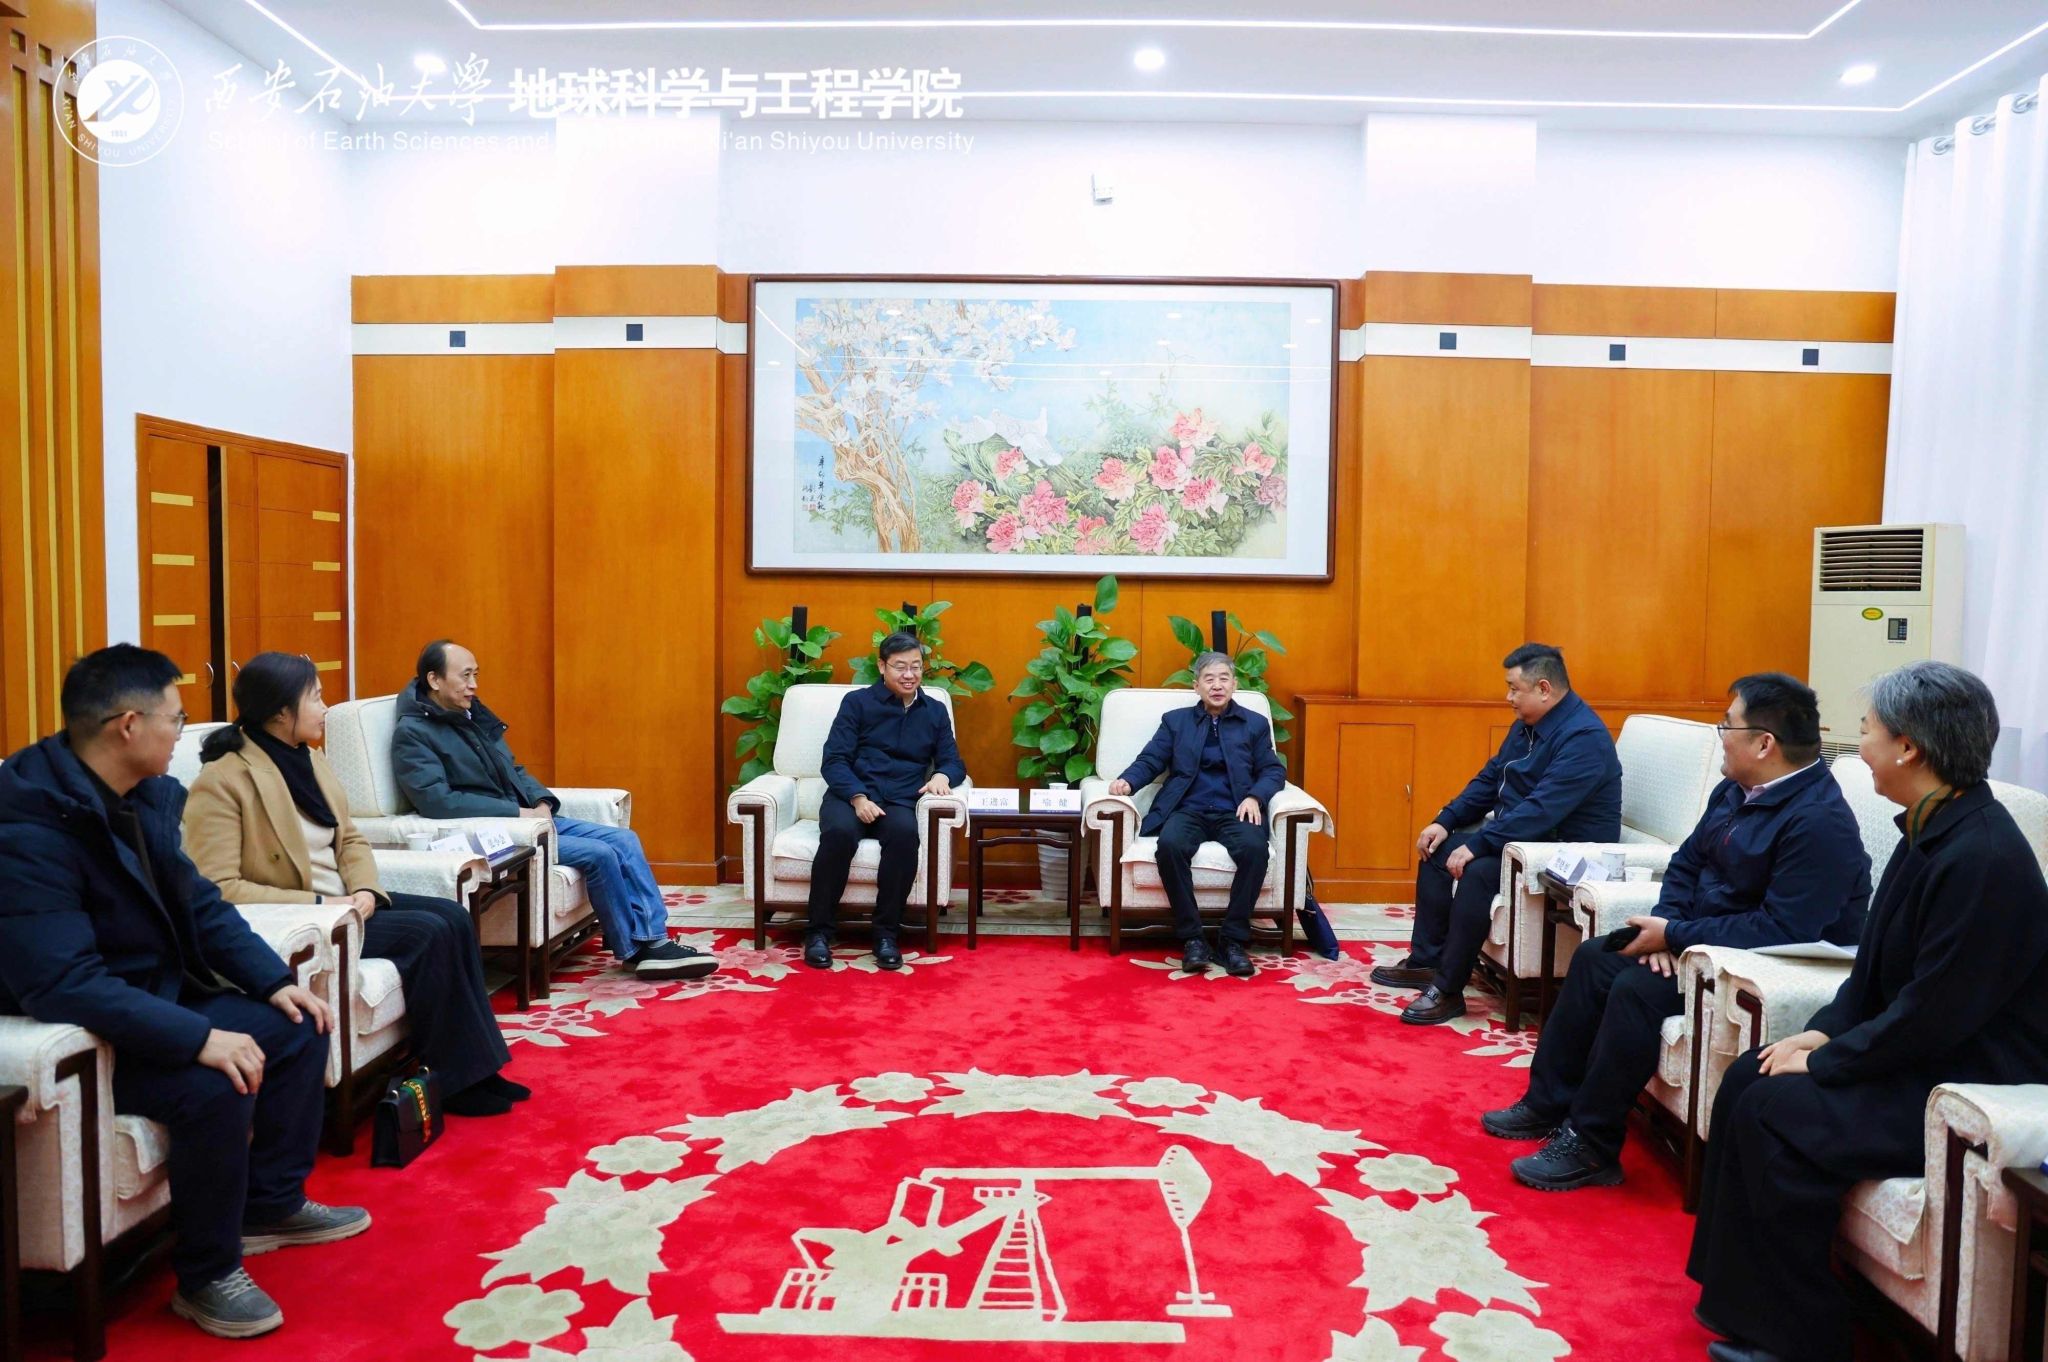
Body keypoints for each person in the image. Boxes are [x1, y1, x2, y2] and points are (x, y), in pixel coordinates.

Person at [0, 645, 369, 1340]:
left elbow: (202, 905)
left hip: (155, 993)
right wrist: (198, 1037)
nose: (183, 732)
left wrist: (271, 981)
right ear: (128, 726)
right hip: (92, 1033)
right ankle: (206, 1276)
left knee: (298, 1025)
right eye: (175, 718)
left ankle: (270, 1204)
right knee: (214, 1083)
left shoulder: (142, 796)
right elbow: (62, 982)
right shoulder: (28, 828)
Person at [1687, 661, 2048, 1362]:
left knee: (1777, 1110)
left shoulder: (1982, 856)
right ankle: (1736, 1297)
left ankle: (1801, 1339)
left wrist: (1829, 1060)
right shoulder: (1928, 827)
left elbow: (1935, 1014)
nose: (1860, 750)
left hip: (1966, 1079)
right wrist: (1821, 1031)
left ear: (1909, 747)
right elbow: (1874, 972)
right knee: (1749, 1076)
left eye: (1867, 733)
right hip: (1918, 1051)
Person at [1482, 673, 1870, 1191]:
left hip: (1761, 959)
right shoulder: (1735, 790)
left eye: (1727, 725)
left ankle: (1593, 1146)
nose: (1720, 736)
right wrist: (1668, 925)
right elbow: (1686, 863)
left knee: (1635, 989)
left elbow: (1784, 927)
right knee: (1596, 956)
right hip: (1702, 936)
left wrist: (1678, 936)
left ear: (1764, 743)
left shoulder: (1818, 820)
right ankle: (1547, 1103)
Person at [184, 651, 527, 1119]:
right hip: (311, 914)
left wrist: (366, 889)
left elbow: (349, 838)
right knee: (428, 932)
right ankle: (458, 1082)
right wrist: (322, 902)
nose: (325, 708)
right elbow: (219, 886)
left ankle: (479, 1070)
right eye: (316, 698)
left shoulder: (310, 759)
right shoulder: (224, 779)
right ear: (281, 711)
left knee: (452, 915)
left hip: (349, 901)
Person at [391, 640, 713, 981]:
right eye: (465, 676)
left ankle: (654, 940)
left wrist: (541, 802)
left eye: (476, 675)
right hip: (501, 831)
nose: (474, 685)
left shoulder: (470, 715)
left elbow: (513, 769)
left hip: (531, 819)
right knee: (600, 854)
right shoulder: (413, 733)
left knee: (625, 840)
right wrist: (519, 815)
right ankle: (633, 951)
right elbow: (437, 801)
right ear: (434, 679)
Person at [1372, 643, 1623, 1025]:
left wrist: (1480, 843)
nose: (1508, 698)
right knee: (1438, 850)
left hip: (1562, 852)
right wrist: (1446, 819)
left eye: (1514, 689)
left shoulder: (1583, 738)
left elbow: (1542, 809)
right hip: (1523, 839)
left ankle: (1448, 990)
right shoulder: (1529, 725)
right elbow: (1491, 778)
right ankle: (1427, 962)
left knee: (1478, 871)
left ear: (1543, 688)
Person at [1109, 651, 1287, 977]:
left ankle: (1232, 941)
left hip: (1235, 809)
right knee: (1170, 847)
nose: (1217, 686)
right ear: (1196, 686)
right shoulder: (1175, 722)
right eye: (1209, 679)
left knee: (1254, 850)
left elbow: (1272, 771)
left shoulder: (1254, 724)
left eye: (1223, 679)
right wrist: (1128, 781)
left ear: (1234, 684)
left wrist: (1254, 796)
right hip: (1188, 808)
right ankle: (1193, 938)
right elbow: (1151, 759)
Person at [806, 631, 967, 972]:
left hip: (899, 799)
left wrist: (942, 776)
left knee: (905, 836)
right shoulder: (857, 703)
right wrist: (858, 797)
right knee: (838, 834)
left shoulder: (935, 711)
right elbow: (834, 759)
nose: (909, 675)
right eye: (900, 667)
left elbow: (954, 762)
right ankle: (819, 933)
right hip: (851, 795)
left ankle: (886, 935)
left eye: (916, 667)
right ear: (882, 666)